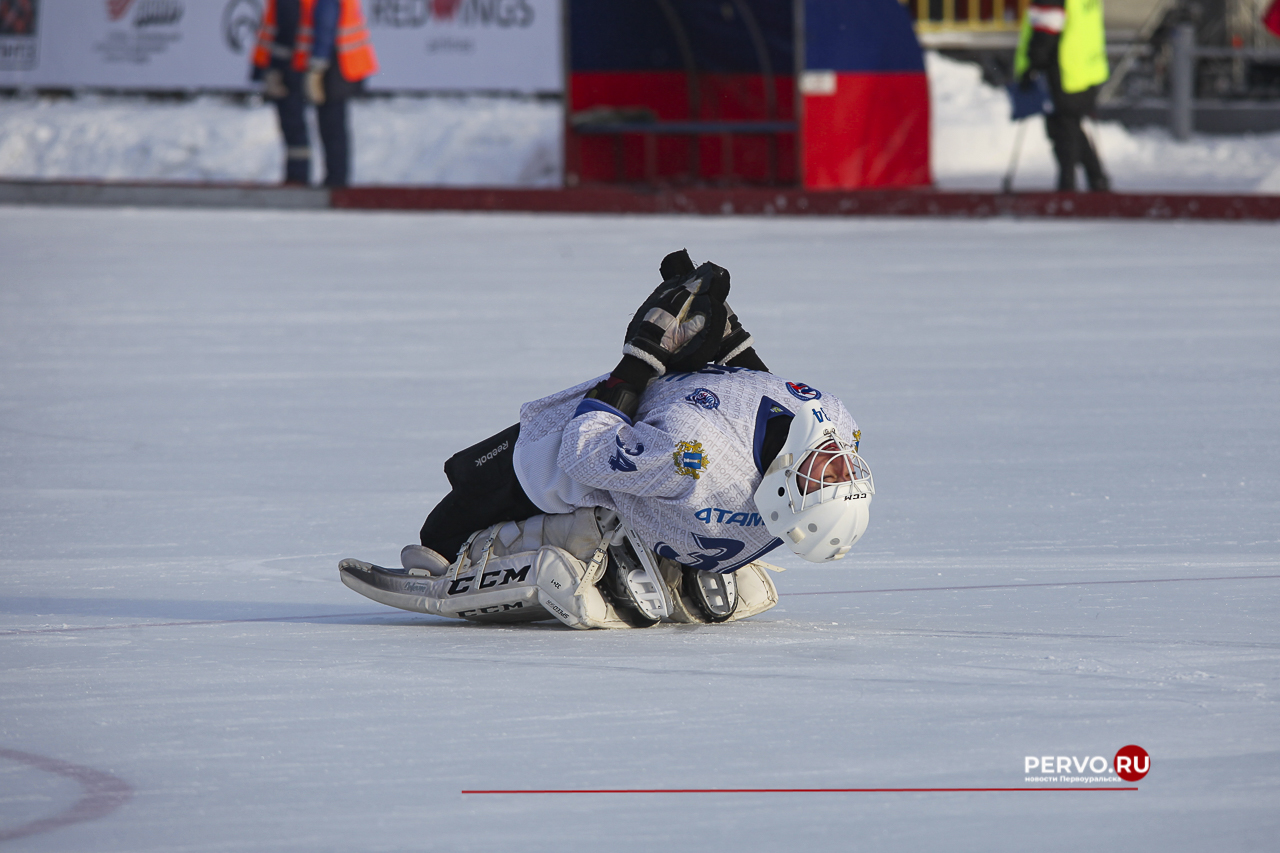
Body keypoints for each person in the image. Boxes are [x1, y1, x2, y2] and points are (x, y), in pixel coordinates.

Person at [340, 251, 875, 629]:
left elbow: (586, 451)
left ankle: (565, 543)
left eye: (829, 477)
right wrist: (729, 339)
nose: (841, 464)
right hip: (675, 499)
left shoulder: (692, 457)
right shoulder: (827, 417)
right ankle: (663, 560)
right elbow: (761, 392)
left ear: (785, 491)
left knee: (439, 535)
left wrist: (643, 354)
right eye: (844, 471)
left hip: (558, 460)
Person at [251, 0, 378, 187]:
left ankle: (307, 178)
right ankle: (331, 180)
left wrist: (279, 68)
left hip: (327, 59)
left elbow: (300, 22)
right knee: (327, 123)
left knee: (306, 122)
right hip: (331, 58)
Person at [1015, 0, 1111, 192]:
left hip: (1062, 71)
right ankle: (1097, 179)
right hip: (1085, 70)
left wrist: (1031, 67)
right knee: (1072, 125)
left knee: (1061, 130)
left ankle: (1067, 186)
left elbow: (1045, 32)